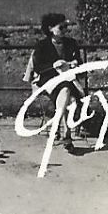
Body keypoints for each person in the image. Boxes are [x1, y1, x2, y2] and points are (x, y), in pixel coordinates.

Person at [25, 12, 86, 152]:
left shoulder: (71, 43)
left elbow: (79, 62)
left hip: (67, 78)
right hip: (49, 80)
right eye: (62, 27)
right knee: (67, 93)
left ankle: (63, 131)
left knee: (65, 91)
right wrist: (54, 65)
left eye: (66, 27)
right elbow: (38, 67)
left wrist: (74, 63)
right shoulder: (42, 45)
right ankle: (66, 134)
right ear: (50, 28)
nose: (65, 30)